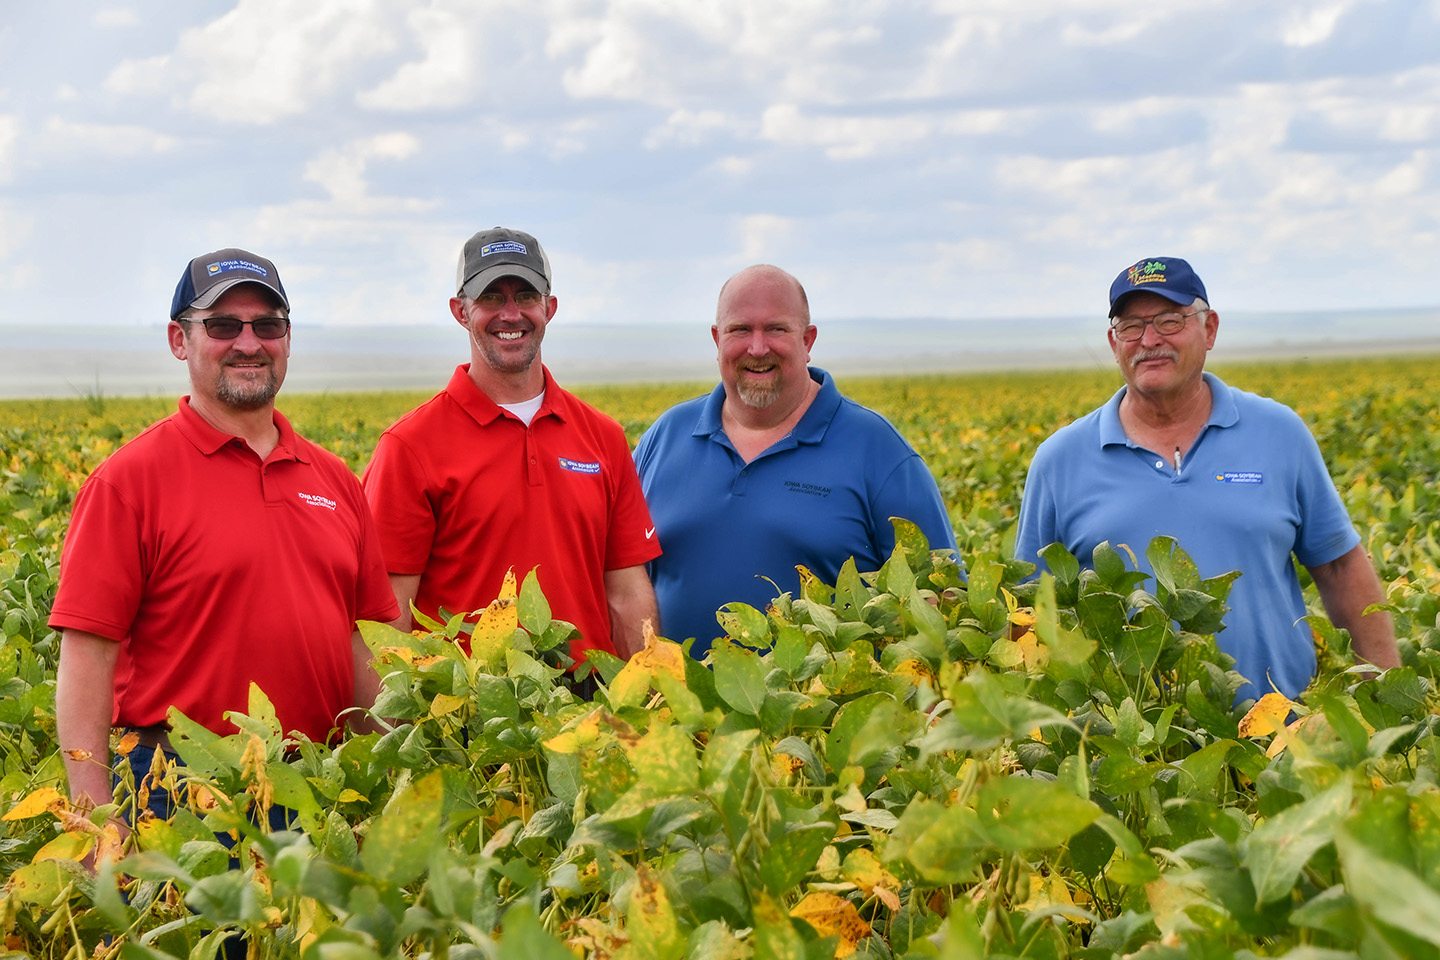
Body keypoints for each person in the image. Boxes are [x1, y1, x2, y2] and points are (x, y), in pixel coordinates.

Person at [50, 247, 400, 819]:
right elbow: (88, 655)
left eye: (267, 325)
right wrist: (93, 823)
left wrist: (376, 785)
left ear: (287, 339)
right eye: (221, 325)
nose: (248, 342)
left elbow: (365, 644)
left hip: (318, 777)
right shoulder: (128, 482)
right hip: (177, 786)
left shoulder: (335, 479)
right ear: (178, 340)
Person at [1014, 256, 1400, 702]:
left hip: (1286, 731)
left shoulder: (1279, 433)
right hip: (1130, 745)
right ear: (1113, 342)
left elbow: (1339, 566)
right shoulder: (1059, 459)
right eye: (1131, 326)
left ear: (1210, 328)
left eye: (1170, 320)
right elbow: (1032, 610)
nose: (1150, 340)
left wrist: (1386, 697)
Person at [362, 227, 660, 664]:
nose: (510, 313)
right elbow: (386, 614)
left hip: (592, 714)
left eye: (525, 296)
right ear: (460, 311)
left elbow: (628, 592)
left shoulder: (603, 437)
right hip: (469, 720)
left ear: (549, 308)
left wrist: (648, 697)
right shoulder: (409, 446)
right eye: (490, 298)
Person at [633, 264, 957, 658]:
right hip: (671, 711)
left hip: (820, 714)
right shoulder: (665, 437)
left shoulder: (879, 451)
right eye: (740, 330)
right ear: (717, 339)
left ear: (808, 340)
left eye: (776, 329)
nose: (757, 348)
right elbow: (623, 579)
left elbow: (942, 596)